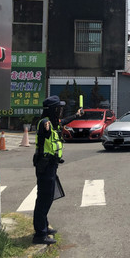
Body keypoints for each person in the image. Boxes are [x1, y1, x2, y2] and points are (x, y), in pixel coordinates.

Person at [32, 95, 83, 245]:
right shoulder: (45, 123)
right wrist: (46, 130)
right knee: (43, 199)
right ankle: (39, 235)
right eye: (59, 108)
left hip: (51, 165)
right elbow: (44, 132)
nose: (61, 111)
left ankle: (44, 227)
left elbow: (64, 121)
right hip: (45, 166)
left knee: (47, 198)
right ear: (53, 110)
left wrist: (77, 115)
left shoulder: (53, 122)